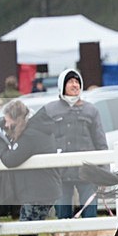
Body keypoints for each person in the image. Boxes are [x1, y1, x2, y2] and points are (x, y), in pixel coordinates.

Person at [0, 99, 61, 236]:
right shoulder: (33, 130)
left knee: (26, 233)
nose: (6, 125)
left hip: (39, 192)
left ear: (16, 119)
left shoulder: (31, 135)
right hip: (40, 190)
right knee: (27, 231)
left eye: (7, 121)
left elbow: (11, 159)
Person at [43, 69, 107, 222]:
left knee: (90, 217)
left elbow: (101, 143)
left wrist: (104, 174)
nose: (75, 85)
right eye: (70, 81)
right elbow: (42, 141)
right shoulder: (50, 110)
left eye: (77, 82)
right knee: (63, 218)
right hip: (60, 175)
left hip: (87, 172)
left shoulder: (91, 110)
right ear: (62, 85)